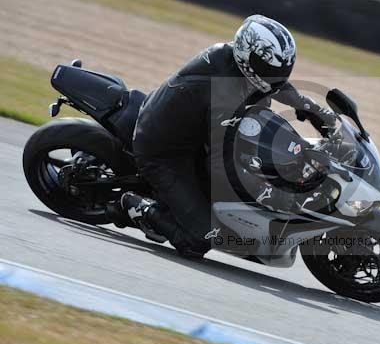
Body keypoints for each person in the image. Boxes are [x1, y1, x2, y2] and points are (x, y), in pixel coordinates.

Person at [112, 15, 336, 258]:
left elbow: (275, 84)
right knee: (200, 238)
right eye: (271, 69)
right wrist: (262, 191)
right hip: (164, 154)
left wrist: (312, 109)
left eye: (282, 69)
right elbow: (220, 167)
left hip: (190, 134)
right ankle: (135, 205)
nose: (277, 75)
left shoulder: (233, 60)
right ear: (249, 58)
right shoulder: (225, 97)